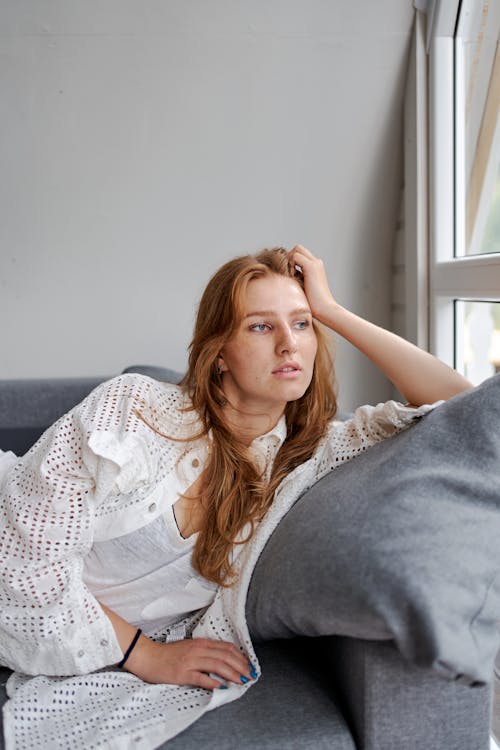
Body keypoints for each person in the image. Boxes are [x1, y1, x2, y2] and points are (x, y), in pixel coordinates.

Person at [0, 245, 472, 696]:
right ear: (220, 353)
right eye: (261, 327)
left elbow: (465, 406)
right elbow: (19, 561)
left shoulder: (314, 455)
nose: (289, 344)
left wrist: (333, 311)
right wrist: (144, 655)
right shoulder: (134, 409)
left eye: (302, 324)